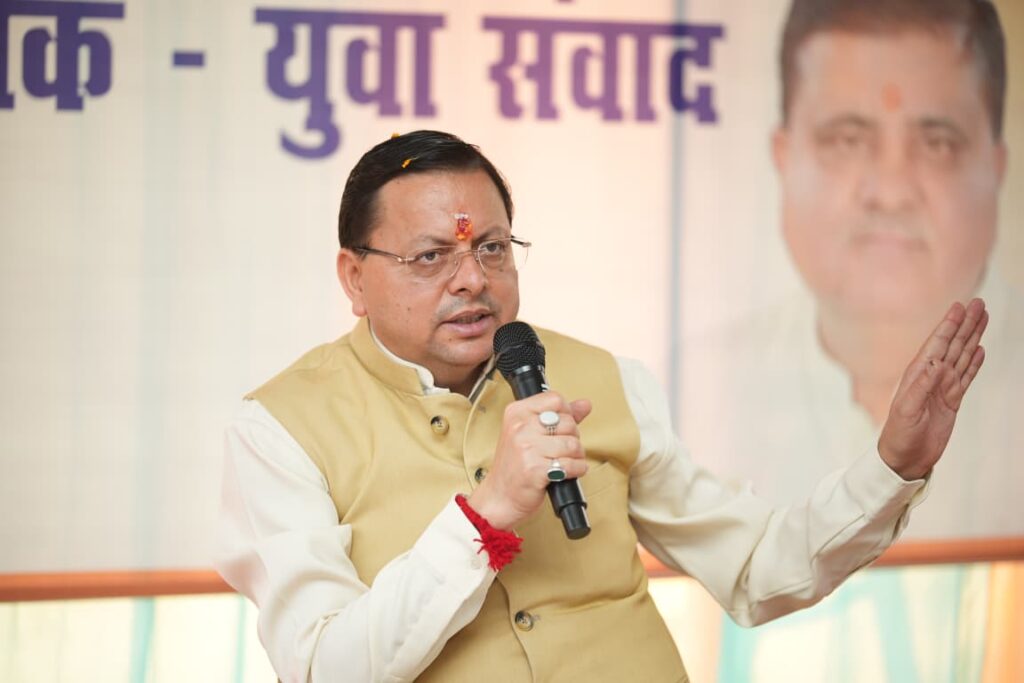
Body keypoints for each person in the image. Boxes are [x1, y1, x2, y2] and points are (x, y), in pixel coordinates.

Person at [215, 130, 986, 682]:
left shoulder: (602, 379)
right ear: (353, 277)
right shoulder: (281, 428)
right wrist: (485, 515)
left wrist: (893, 466)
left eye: (492, 247)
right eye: (431, 256)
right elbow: (322, 667)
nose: (473, 279)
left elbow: (757, 568)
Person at [682, 0, 1022, 540]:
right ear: (783, 158)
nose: (890, 192)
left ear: (996, 167)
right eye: (847, 140)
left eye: (937, 144)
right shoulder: (693, 390)